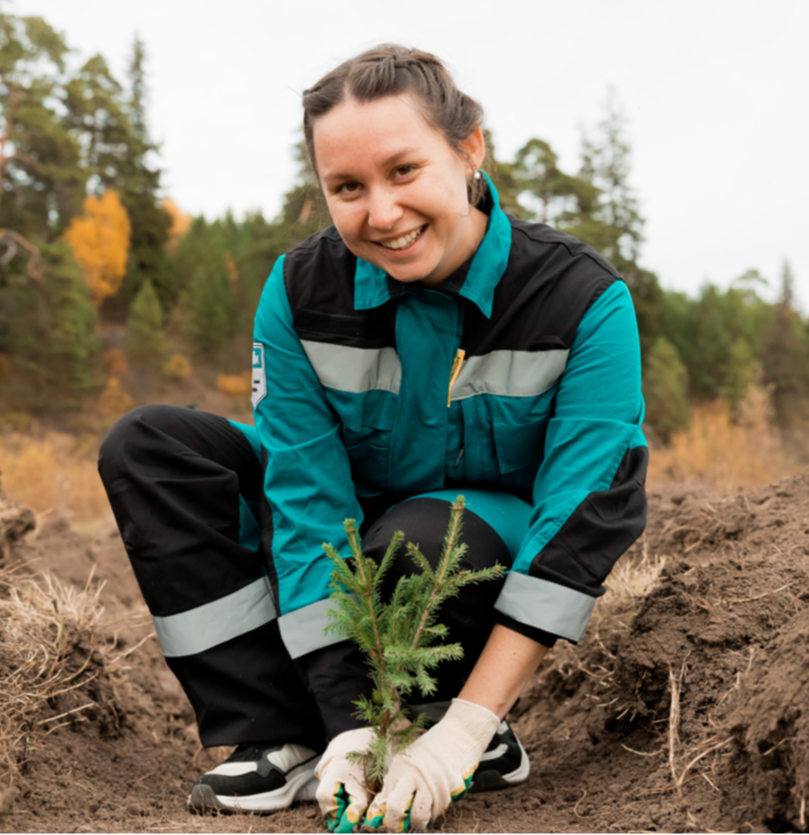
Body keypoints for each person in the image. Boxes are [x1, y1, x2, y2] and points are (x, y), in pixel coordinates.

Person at [98, 45, 647, 834]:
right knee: (151, 448)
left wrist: (464, 731)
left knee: (418, 534)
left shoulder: (581, 299)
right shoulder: (299, 291)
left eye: (403, 171)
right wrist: (348, 722)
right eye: (347, 188)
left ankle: (453, 721)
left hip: (468, 548)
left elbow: (578, 521)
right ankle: (285, 732)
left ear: (468, 149)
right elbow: (306, 498)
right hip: (352, 530)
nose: (381, 213)